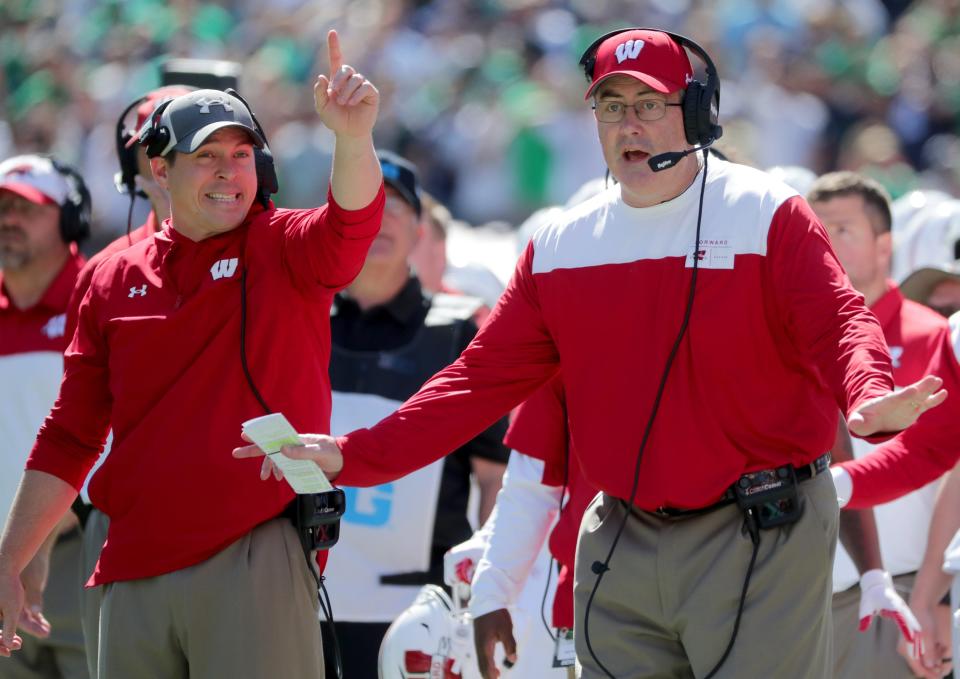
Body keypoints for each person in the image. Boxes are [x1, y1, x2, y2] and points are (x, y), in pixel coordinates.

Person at [235, 28, 945, 678]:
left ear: (697, 114)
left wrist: (868, 393)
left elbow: (840, 320)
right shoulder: (561, 246)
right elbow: (474, 381)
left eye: (648, 104)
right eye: (611, 108)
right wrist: (354, 454)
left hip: (764, 528)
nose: (628, 125)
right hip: (623, 537)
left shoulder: (767, 212)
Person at [0, 31, 384, 679]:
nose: (229, 171)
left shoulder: (285, 245)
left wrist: (353, 137)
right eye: (205, 156)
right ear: (159, 170)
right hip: (127, 564)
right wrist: (10, 560)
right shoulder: (107, 274)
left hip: (252, 552)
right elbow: (70, 433)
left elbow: (352, 222)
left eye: (241, 154)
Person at [323, 150, 508, 679]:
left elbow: (494, 476)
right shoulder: (300, 324)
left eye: (395, 207)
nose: (379, 221)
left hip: (420, 610)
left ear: (421, 227)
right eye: (365, 206)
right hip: (305, 599)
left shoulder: (459, 333)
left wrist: (482, 587)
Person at [65, 83, 194, 679]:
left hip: (243, 520)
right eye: (158, 145)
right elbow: (77, 417)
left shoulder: (272, 252)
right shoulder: (104, 271)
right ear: (134, 167)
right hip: (123, 520)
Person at [807, 171, 951, 678]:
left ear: (886, 243)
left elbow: (939, 461)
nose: (825, 243)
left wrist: (936, 591)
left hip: (901, 588)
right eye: (816, 230)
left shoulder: (933, 336)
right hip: (799, 593)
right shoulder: (788, 335)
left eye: (842, 229)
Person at [0, 155, 92, 678]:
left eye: (27, 209)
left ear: (69, 220)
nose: (9, 219)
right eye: (2, 208)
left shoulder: (101, 293)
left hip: (80, 555)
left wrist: (36, 535)